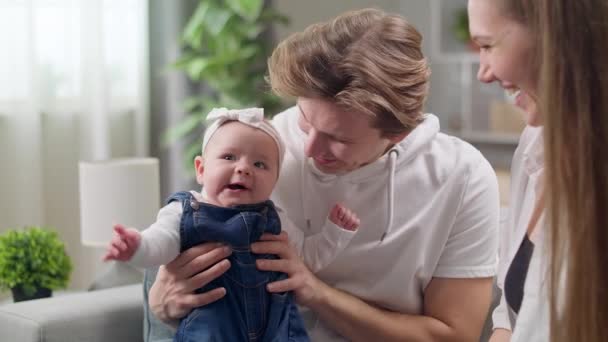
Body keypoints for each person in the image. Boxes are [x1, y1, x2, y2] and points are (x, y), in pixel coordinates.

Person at [147, 8, 501, 342]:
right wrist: (161, 301)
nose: (310, 148)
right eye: (305, 119)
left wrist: (315, 292)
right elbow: (194, 226)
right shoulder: (262, 148)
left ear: (398, 133)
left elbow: (453, 335)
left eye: (338, 138)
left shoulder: (462, 177)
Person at [105, 107, 360, 341]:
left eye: (260, 164)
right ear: (201, 169)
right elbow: (160, 244)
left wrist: (335, 233)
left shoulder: (275, 218)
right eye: (229, 157)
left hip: (275, 325)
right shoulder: (184, 211)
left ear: (274, 182)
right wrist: (136, 246)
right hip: (211, 321)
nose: (244, 168)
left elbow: (307, 259)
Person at [468, 0, 608, 341]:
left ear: (557, 38)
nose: (483, 72)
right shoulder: (535, 145)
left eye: (488, 45)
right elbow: (512, 313)